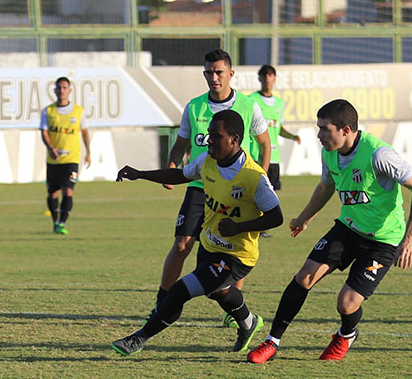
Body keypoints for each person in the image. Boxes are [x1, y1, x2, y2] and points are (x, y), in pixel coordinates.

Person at [247, 99, 412, 363]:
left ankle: (346, 334)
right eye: (318, 128)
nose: (319, 135)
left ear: (345, 130)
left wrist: (410, 238)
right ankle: (272, 342)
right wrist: (304, 217)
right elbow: (326, 186)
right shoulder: (329, 152)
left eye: (324, 129)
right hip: (347, 229)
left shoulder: (380, 155)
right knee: (304, 277)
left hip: (383, 241)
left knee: (346, 304)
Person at [111, 110, 283, 356]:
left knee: (181, 290)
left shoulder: (253, 177)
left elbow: (277, 217)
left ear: (234, 140)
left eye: (216, 135)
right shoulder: (207, 161)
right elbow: (180, 175)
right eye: (209, 134)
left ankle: (139, 339)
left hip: (238, 256)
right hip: (210, 246)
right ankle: (248, 322)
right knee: (217, 292)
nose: (208, 140)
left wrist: (238, 227)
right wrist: (140, 174)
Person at [149, 49, 270, 320]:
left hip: (237, 190)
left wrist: (260, 179)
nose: (213, 78)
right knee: (182, 244)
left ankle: (233, 310)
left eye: (218, 72)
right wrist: (171, 165)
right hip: (200, 186)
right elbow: (181, 143)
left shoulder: (249, 106)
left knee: (234, 249)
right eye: (208, 72)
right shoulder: (194, 107)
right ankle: (162, 301)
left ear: (230, 74)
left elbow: (264, 144)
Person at [40, 76, 90, 235]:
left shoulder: (78, 111)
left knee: (68, 191)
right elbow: (44, 132)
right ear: (55, 90)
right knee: (53, 193)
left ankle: (62, 223)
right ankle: (55, 221)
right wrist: (50, 148)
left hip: (72, 159)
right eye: (59, 88)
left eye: (64, 88)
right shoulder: (48, 111)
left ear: (69, 90)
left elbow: (84, 132)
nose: (61, 90)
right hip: (53, 160)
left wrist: (88, 152)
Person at [249, 64, 301, 195]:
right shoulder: (251, 100)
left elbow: (278, 128)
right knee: (254, 192)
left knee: (272, 194)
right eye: (264, 75)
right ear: (259, 78)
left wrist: (292, 136)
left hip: (274, 156)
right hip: (256, 155)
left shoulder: (279, 103)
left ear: (274, 78)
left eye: (270, 75)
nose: (267, 78)